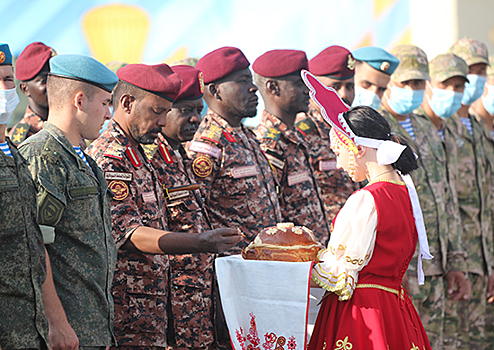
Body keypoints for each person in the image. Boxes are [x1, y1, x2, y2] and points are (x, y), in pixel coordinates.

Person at [87, 63, 242, 349]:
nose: (162, 122)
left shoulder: (139, 152)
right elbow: (128, 234)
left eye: (166, 112)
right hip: (129, 312)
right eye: (157, 111)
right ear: (127, 103)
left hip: (158, 309)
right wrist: (200, 241)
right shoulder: (111, 157)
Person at [302, 70, 432, 350]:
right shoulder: (405, 192)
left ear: (357, 149)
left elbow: (339, 274)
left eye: (339, 152)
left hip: (361, 312)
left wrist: (294, 266)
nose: (339, 164)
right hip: (395, 307)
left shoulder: (365, 199)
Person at [19, 54, 119, 349]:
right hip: (67, 329)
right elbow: (35, 246)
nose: (109, 114)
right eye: (104, 103)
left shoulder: (82, 159)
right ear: (80, 101)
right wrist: (56, 323)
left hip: (91, 324)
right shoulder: (42, 155)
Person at [379, 45, 469, 349]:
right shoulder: (377, 130)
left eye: (419, 83)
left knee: (443, 342)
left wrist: (456, 260)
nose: (414, 90)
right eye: (406, 83)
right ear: (390, 81)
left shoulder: (425, 127)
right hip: (406, 265)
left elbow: (447, 198)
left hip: (440, 264)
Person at [139, 65, 216, 350]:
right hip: (166, 298)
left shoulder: (179, 153)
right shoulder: (150, 157)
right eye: (185, 110)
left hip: (197, 294)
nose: (196, 118)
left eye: (199, 109)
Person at [187, 46, 282, 254]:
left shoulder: (246, 135)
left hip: (264, 263)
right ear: (214, 91)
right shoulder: (207, 143)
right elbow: (193, 216)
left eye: (250, 80)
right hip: (233, 268)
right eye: (241, 81)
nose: (253, 88)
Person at [445, 37, 494, 350]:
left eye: (480, 70)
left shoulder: (480, 128)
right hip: (457, 263)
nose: (474, 78)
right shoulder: (440, 128)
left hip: (485, 261)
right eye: (468, 70)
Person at [253, 49, 331, 245]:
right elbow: (270, 210)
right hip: (291, 256)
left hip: (312, 253)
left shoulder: (293, 136)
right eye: (299, 84)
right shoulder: (269, 143)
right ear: (273, 87)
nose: (308, 90)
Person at [0, 43, 49, 350]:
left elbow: (34, 240)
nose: (3, 89)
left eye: (6, 80)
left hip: (30, 324)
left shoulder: (15, 155)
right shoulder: (25, 140)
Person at [295, 45, 358, 225]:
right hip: (324, 238)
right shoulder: (302, 134)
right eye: (335, 87)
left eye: (350, 86)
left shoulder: (355, 130)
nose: (344, 94)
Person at [9, 42, 56, 145]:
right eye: (44, 80)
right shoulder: (22, 139)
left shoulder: (70, 124)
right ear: (25, 89)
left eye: (56, 79)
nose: (54, 86)